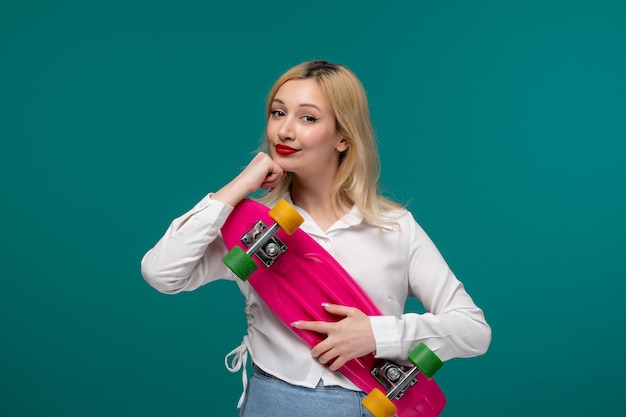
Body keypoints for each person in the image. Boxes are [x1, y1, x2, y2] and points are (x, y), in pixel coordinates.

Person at [141, 60, 491, 417]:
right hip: (272, 402)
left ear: (344, 137)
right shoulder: (251, 230)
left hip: (371, 405)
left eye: (308, 118)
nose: (285, 131)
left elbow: (473, 330)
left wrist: (378, 334)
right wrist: (236, 188)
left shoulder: (395, 227)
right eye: (278, 113)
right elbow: (161, 273)